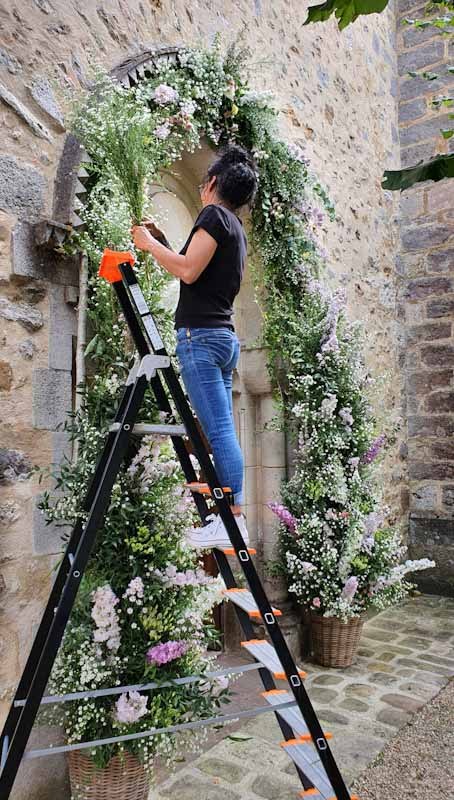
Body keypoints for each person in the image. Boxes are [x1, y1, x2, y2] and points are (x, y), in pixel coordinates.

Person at [132, 144, 258, 548]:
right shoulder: (233, 228)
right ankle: (229, 517)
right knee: (223, 431)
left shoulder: (213, 215)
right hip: (221, 338)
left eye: (205, 182)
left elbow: (186, 271)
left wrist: (148, 246)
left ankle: (231, 520)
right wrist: (163, 240)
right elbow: (195, 267)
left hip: (200, 339)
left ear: (212, 184)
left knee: (219, 430)